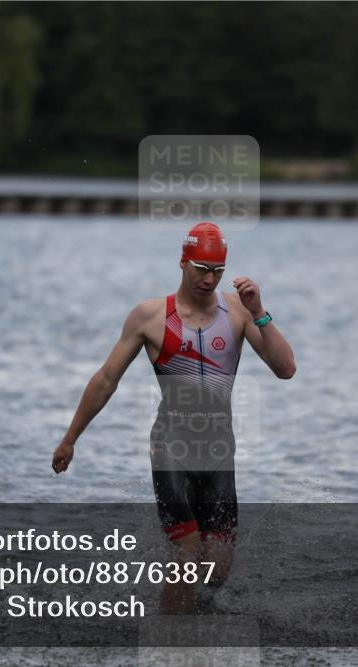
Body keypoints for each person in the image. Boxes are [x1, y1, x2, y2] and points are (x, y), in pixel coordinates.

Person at [51, 221, 295, 613]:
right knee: (187, 552)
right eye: (201, 268)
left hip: (218, 454)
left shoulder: (237, 313)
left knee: (216, 569)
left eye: (217, 271)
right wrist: (70, 439)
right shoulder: (150, 317)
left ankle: (188, 619)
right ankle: (170, 640)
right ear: (183, 262)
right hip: (171, 451)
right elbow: (106, 380)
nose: (209, 279)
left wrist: (260, 312)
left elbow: (285, 369)